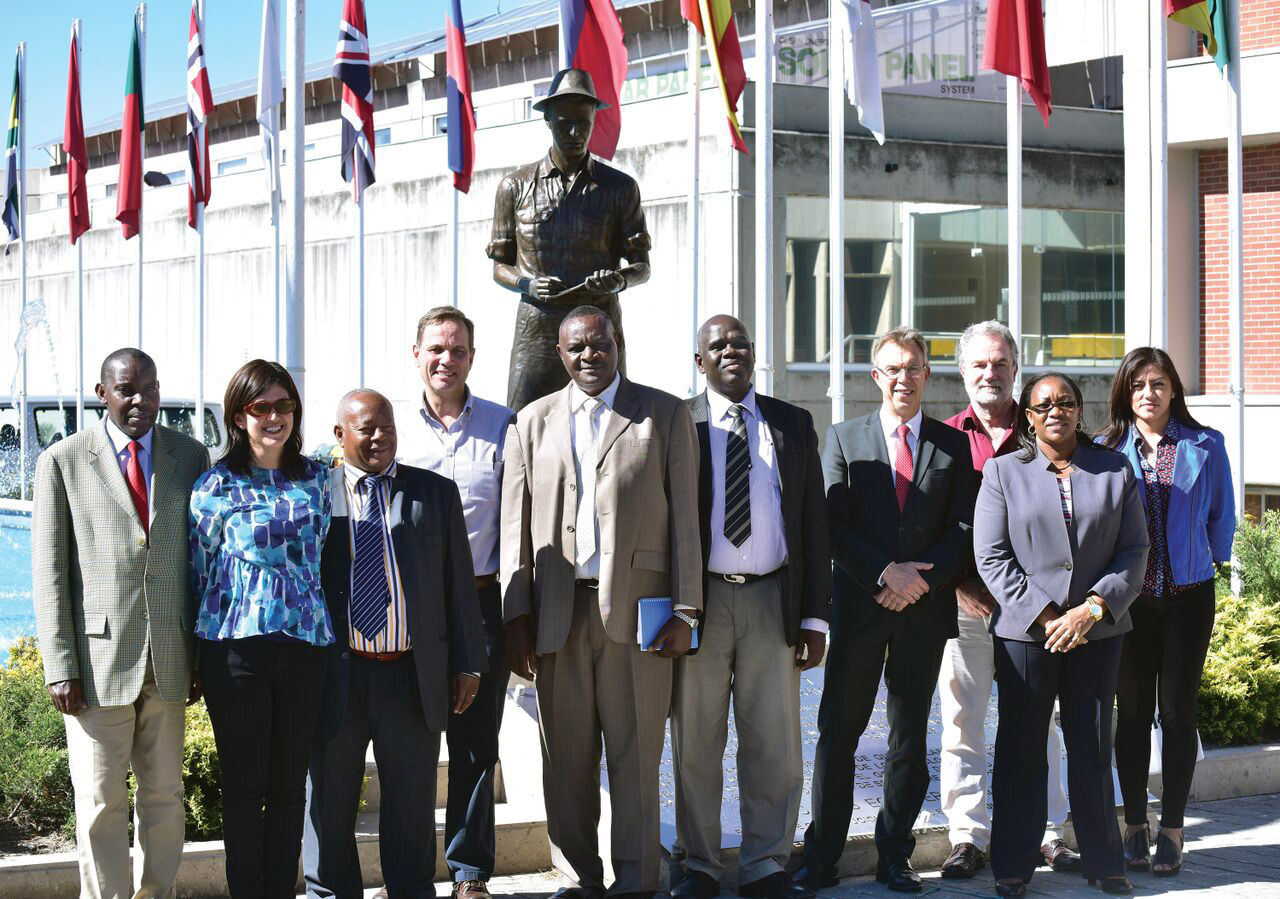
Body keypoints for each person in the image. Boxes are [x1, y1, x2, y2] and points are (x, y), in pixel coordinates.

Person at [501, 305, 701, 897]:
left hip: (640, 617)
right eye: (576, 348)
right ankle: (578, 877)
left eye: (600, 344)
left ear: (619, 343)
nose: (589, 356)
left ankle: (638, 881)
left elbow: (686, 519)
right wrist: (516, 617)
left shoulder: (663, 414)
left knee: (637, 758)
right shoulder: (531, 422)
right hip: (557, 616)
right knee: (566, 761)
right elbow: (517, 527)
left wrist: (687, 610)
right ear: (560, 355)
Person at [797, 327, 978, 894]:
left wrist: (918, 582)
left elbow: (966, 527)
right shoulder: (844, 438)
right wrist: (883, 574)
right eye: (892, 369)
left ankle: (894, 855)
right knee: (838, 734)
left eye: (914, 367)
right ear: (876, 377)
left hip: (921, 612)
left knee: (908, 738)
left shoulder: (953, 447)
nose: (904, 377)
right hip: (860, 608)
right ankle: (821, 855)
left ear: (927, 374)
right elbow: (832, 524)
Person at [32, 348, 209, 899]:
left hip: (170, 659)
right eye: (128, 390)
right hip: (96, 662)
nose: (141, 400)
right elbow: (50, 571)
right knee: (100, 803)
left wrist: (199, 653)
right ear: (100, 393)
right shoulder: (62, 460)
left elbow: (201, 563)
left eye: (150, 388)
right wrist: (60, 665)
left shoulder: (190, 456)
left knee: (164, 798)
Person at [670, 315, 831, 899]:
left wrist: (814, 615)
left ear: (755, 353)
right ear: (700, 361)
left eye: (739, 343)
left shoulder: (791, 423)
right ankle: (699, 866)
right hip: (700, 603)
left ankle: (766, 864)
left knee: (774, 743)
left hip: (772, 598)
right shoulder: (676, 423)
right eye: (717, 345)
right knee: (696, 742)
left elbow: (814, 522)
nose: (730, 351)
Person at [304, 390, 487, 899]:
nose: (381, 436)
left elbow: (458, 585)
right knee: (330, 803)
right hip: (338, 676)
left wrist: (469, 663)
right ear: (340, 436)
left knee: (409, 805)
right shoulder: (318, 495)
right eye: (367, 428)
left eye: (387, 425)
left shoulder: (434, 494)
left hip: (409, 675)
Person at [974, 372, 1149, 897]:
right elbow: (991, 555)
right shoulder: (1003, 472)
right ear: (1027, 415)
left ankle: (1104, 860)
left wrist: (1091, 610)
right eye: (1043, 403)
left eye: (1066, 402)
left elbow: (1135, 551)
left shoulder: (1115, 469)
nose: (1056, 411)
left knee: (1093, 748)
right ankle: (1013, 862)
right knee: (1022, 747)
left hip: (1097, 632)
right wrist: (1049, 616)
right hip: (1028, 635)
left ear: (1079, 409)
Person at [938, 322, 1078, 880]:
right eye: (978, 365)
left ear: (1016, 370)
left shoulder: (1043, 431)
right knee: (962, 720)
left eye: (1000, 364)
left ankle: (1047, 832)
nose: (989, 373)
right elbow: (928, 524)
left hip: (1034, 608)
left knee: (1040, 722)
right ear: (963, 373)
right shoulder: (945, 437)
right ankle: (968, 836)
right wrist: (957, 583)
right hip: (966, 605)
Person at [190, 359, 334, 898]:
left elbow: (327, 558)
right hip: (235, 653)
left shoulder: (321, 478)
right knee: (245, 788)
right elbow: (198, 570)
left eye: (283, 406)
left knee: (290, 786)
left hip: (305, 649)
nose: (274, 416)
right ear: (239, 415)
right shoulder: (214, 484)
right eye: (261, 407)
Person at [1100, 347, 1235, 878]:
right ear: (1125, 394)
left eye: (1157, 383)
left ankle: (1173, 829)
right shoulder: (1109, 448)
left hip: (1189, 596)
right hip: (1129, 601)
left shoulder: (1206, 444)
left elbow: (1222, 513)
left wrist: (1208, 559)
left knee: (1177, 713)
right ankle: (1135, 825)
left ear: (1173, 388)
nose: (1148, 394)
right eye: (1137, 385)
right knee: (1131, 713)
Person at [396, 306, 516, 899]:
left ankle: (470, 873)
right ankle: (409, 872)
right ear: (416, 354)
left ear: (473, 356)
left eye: (458, 349)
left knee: (475, 744)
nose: (446, 359)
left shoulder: (504, 425)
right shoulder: (392, 431)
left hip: (479, 605)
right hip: (407, 609)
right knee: (411, 747)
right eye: (436, 349)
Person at [487, 68, 651, 411]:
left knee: (614, 419)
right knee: (522, 422)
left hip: (600, 324)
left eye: (584, 123)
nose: (576, 133)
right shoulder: (514, 187)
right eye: (565, 123)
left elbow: (642, 267)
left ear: (594, 120)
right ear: (547, 120)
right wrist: (527, 285)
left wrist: (618, 279)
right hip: (537, 327)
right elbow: (499, 266)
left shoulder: (620, 188)